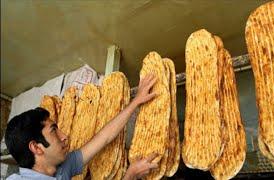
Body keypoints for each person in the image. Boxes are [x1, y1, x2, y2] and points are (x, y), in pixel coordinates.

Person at [5, 74, 159, 180]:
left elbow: (104, 138)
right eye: (54, 131)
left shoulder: (57, 168)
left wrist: (136, 101)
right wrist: (131, 174)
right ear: (36, 148)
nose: (64, 135)